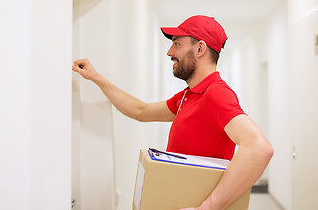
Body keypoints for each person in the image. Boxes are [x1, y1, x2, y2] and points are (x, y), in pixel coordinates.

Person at [72, 15, 274, 210]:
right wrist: (96, 78)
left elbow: (259, 148)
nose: (169, 52)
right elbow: (141, 110)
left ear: (200, 48)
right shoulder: (189, 95)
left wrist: (209, 207)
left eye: (177, 44)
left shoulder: (216, 94)